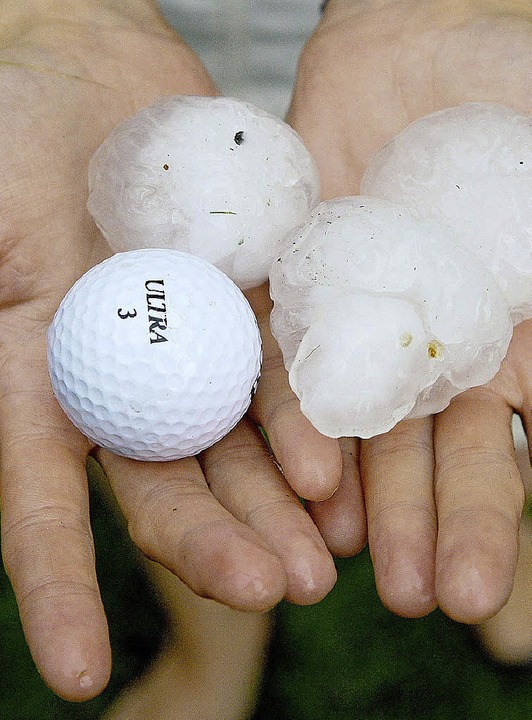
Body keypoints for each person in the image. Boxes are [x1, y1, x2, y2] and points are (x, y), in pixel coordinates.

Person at [0, 0, 529, 714]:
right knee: (174, 462)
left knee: (479, 432)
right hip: (143, 41)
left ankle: (507, 537)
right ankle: (211, 645)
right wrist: (46, 22)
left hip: (366, 49)